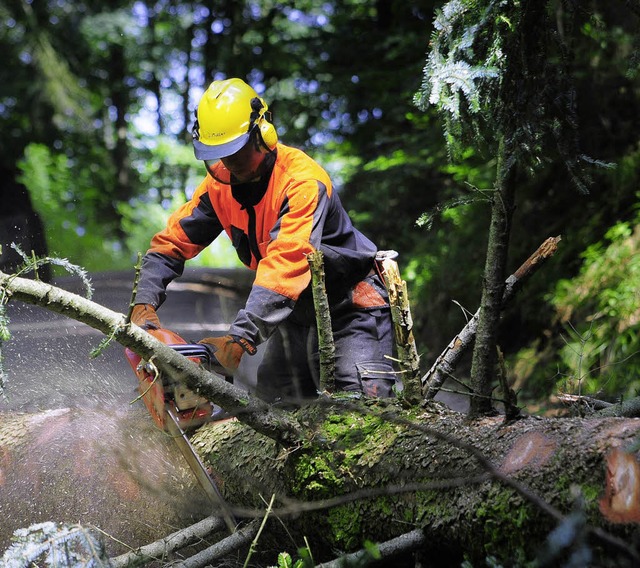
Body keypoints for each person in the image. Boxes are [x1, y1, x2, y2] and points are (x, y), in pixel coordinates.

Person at [131, 77, 400, 402]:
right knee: (277, 403)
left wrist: (238, 341)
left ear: (263, 136)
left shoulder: (302, 183)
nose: (230, 164)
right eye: (220, 156)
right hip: (295, 311)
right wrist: (143, 305)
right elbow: (169, 245)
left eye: (238, 154)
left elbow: (285, 264)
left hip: (351, 304)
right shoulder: (219, 188)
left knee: (359, 407)